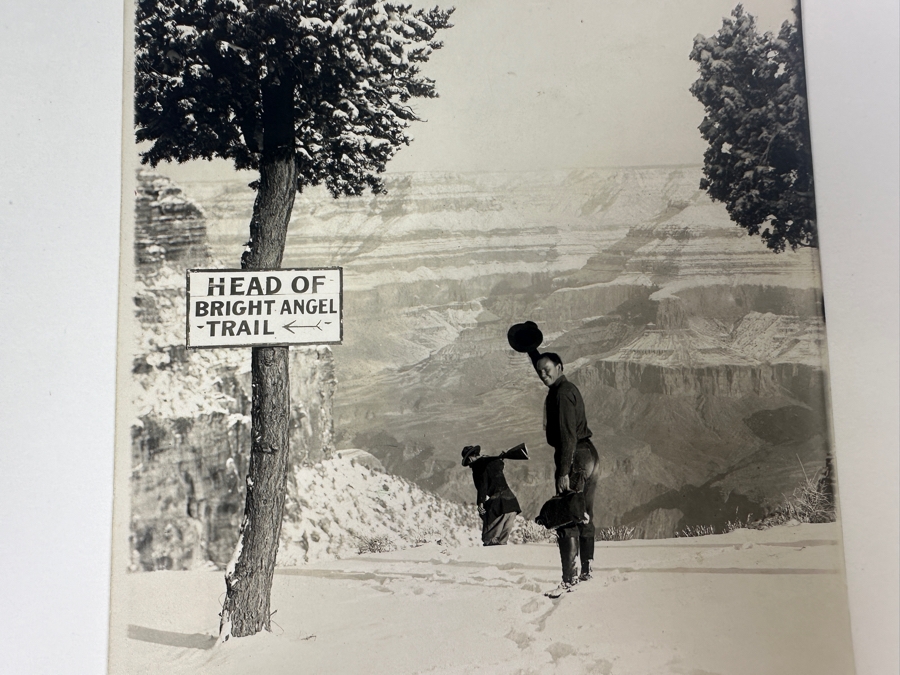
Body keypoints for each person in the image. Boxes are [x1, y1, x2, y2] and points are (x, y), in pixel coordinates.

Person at [534, 352, 599, 587]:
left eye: (547, 369)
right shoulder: (567, 387)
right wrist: (532, 349)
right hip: (590, 455)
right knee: (584, 513)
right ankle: (587, 570)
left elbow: (568, 437)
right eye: (539, 370)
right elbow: (543, 363)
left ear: (559, 367)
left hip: (573, 458)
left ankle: (569, 578)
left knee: (566, 516)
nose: (543, 374)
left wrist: (563, 471)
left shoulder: (560, 395)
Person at [461, 445, 521, 546]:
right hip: (512, 504)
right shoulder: (492, 461)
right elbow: (500, 465)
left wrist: (480, 503)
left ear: (470, 458)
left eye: (468, 463)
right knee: (502, 542)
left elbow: (482, 486)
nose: (470, 466)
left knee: (489, 540)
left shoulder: (478, 466)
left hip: (499, 505)